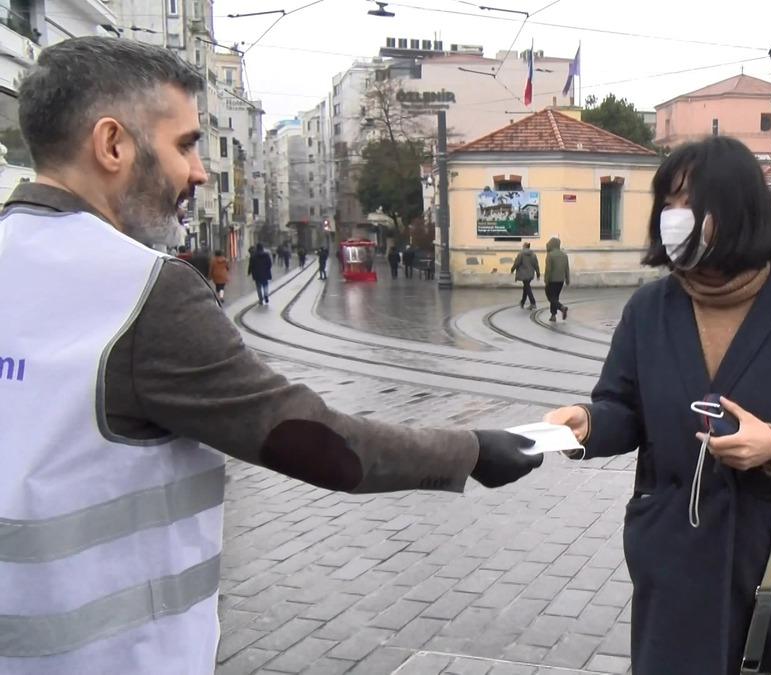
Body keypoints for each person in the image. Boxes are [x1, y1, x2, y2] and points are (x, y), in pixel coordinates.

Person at [0, 37, 544, 675]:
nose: (199, 172)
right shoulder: (143, 291)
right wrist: (474, 450)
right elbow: (311, 440)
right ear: (113, 144)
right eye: (184, 145)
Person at [543, 136, 771, 674]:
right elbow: (622, 407)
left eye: (689, 204)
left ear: (738, 209)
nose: (674, 217)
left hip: (770, 562)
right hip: (672, 556)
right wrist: (586, 423)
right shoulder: (650, 308)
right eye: (668, 203)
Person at [543, 237, 570, 322]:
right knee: (555, 297)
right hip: (561, 280)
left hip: (552, 280)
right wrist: (567, 279)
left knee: (550, 296)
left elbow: (548, 269)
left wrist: (546, 280)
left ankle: (562, 308)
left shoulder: (550, 255)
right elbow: (567, 268)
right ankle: (553, 315)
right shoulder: (564, 255)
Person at [510, 241, 540, 310]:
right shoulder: (533, 254)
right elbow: (536, 265)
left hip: (523, 274)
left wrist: (512, 269)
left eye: (523, 246)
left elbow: (517, 263)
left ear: (524, 246)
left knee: (527, 287)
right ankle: (522, 302)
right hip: (530, 274)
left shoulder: (521, 254)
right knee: (526, 287)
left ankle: (533, 303)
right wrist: (538, 274)